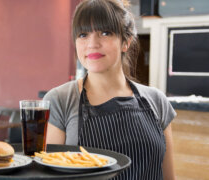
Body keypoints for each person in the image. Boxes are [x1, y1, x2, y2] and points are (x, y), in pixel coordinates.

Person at [44, 0, 176, 179]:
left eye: (105, 33)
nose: (92, 43)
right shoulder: (60, 100)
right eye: (83, 34)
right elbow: (50, 174)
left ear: (126, 42)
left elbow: (169, 177)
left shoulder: (157, 100)